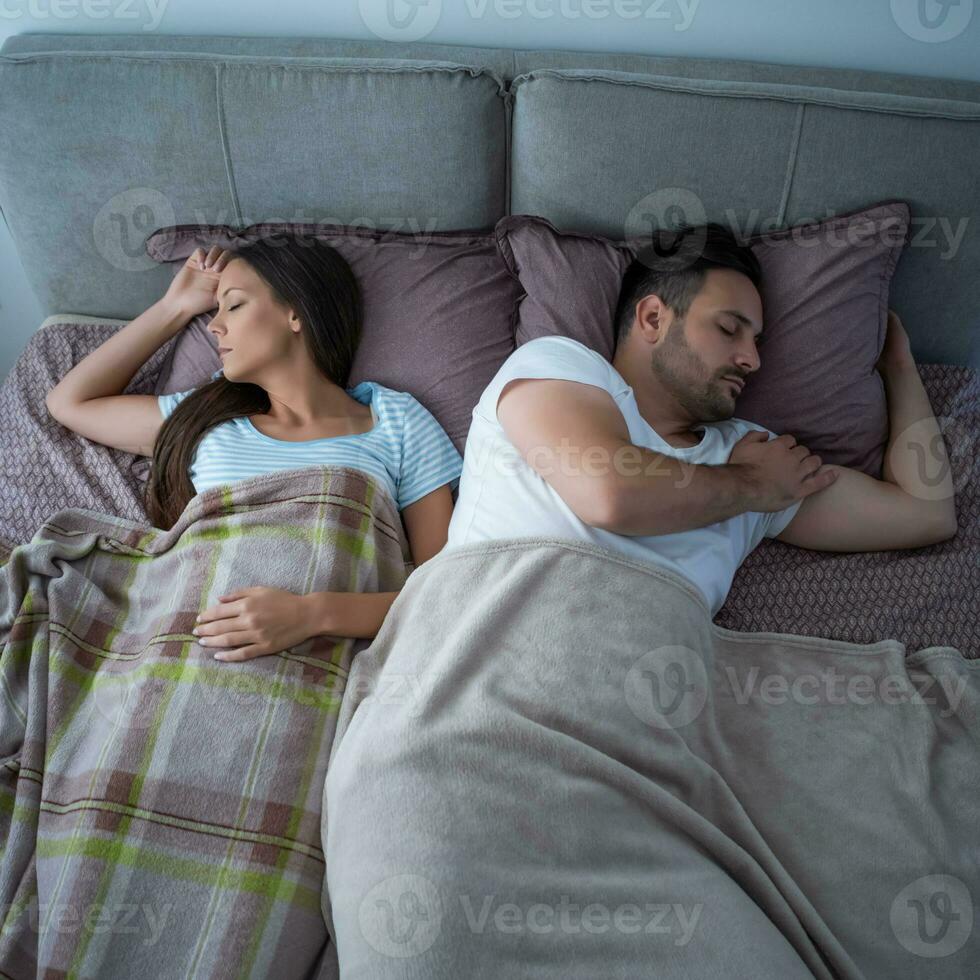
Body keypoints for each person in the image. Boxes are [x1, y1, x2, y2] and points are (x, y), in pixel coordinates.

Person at [445, 223, 957, 618]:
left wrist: (899, 368)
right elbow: (610, 494)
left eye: (756, 342)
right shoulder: (558, 366)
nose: (751, 360)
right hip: (486, 658)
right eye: (730, 329)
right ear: (652, 319)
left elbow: (926, 513)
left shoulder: (749, 455)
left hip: (634, 714)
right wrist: (753, 484)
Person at [46, 235, 462, 658]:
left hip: (334, 654)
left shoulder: (395, 420)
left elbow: (445, 590)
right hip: (194, 640)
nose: (213, 325)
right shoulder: (204, 419)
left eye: (235, 304)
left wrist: (311, 614)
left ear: (295, 313)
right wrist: (175, 306)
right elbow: (70, 403)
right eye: (216, 309)